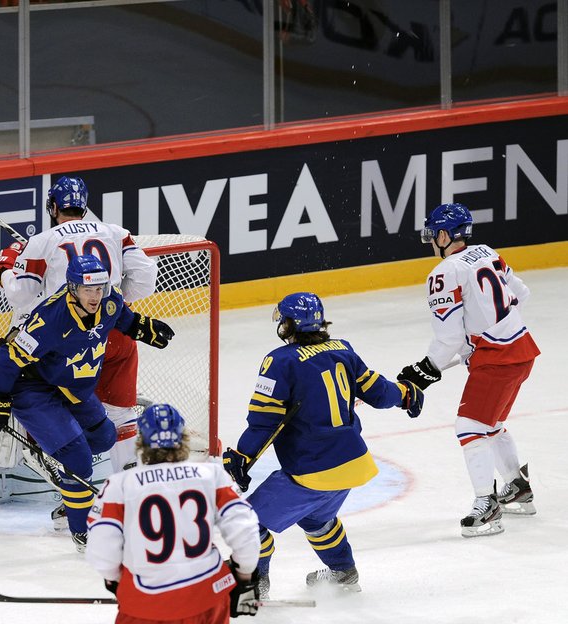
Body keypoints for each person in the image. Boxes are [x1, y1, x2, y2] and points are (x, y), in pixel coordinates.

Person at [222, 292, 423, 597]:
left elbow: (265, 420)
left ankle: (252, 585)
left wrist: (242, 455)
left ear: (288, 325)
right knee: (317, 519)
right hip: (353, 464)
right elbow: (379, 393)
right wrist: (405, 393)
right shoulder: (344, 350)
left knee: (248, 521)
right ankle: (343, 572)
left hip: (313, 469)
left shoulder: (279, 361)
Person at [0, 254, 174, 551]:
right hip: (32, 389)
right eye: (87, 289)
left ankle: (62, 466)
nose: (95, 296)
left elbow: (122, 317)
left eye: (100, 288)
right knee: (79, 458)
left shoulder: (108, 303)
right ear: (72, 288)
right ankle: (83, 532)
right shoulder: (50, 320)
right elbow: (8, 356)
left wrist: (143, 327)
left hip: (70, 386)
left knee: (105, 436)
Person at [0, 175, 158, 503]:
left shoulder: (41, 241)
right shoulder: (115, 232)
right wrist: (109, 304)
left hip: (66, 341)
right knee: (122, 415)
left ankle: (69, 490)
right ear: (84, 205)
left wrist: (5, 268)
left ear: (52, 207)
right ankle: (131, 497)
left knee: (53, 406)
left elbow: (21, 296)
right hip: (115, 335)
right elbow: (146, 280)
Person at [397, 203, 540, 537]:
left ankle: (486, 506)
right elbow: (521, 294)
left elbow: (449, 337)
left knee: (469, 426)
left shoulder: (444, 273)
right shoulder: (488, 252)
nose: (432, 241)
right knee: (492, 424)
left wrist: (425, 369)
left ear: (444, 235)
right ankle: (518, 489)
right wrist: (488, 326)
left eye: (433, 235)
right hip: (522, 350)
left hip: (497, 359)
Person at [86, 403, 263, 624]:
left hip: (144, 606)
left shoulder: (119, 485)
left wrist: (117, 581)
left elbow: (101, 548)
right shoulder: (212, 474)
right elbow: (245, 529)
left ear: (141, 442)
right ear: (183, 439)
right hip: (207, 598)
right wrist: (244, 577)